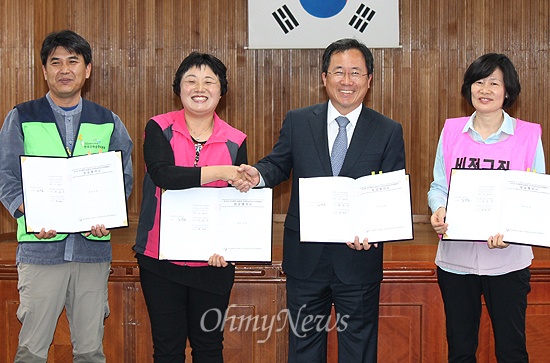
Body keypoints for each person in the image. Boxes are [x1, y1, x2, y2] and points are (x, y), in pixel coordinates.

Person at [235, 38, 406, 362]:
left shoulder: (387, 130)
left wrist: (375, 232)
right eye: (338, 71)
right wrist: (258, 175)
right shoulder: (299, 121)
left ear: (369, 80)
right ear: (324, 77)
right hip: (306, 259)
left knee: (359, 351)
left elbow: (390, 193)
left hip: (359, 261)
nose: (347, 80)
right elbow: (278, 163)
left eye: (355, 72)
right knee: (303, 351)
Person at [0, 29, 134, 362]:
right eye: (55, 62)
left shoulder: (108, 121)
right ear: (44, 70)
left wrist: (108, 214)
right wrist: (31, 216)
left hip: (92, 252)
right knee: (31, 350)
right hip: (40, 252)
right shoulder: (22, 117)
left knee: (90, 351)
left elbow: (123, 178)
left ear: (87, 69)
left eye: (73, 61)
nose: (64, 69)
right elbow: (5, 177)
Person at [428, 53, 545, 362]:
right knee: (461, 349)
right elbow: (439, 186)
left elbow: (534, 198)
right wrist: (438, 210)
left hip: (508, 261)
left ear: (508, 91)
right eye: (479, 82)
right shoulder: (452, 131)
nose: (485, 89)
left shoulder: (529, 135)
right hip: (456, 261)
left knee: (511, 349)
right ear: (469, 89)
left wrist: (513, 231)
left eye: (495, 83)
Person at [133, 52, 247, 362]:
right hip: (161, 260)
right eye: (191, 80)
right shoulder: (159, 128)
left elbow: (237, 204)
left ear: (221, 91)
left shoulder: (235, 140)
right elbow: (163, 174)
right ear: (178, 88)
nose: (200, 88)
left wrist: (232, 246)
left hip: (213, 264)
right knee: (167, 349)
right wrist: (223, 172)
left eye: (209, 81)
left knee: (209, 348)